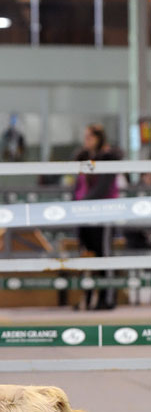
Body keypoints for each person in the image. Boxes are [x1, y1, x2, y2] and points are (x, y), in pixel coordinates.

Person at [73, 123, 122, 310]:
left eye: (90, 137)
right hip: (82, 214)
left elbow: (102, 188)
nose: (86, 141)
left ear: (99, 138)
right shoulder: (84, 159)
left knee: (104, 256)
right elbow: (78, 186)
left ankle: (107, 298)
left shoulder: (107, 160)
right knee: (87, 257)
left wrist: (83, 203)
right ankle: (86, 298)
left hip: (103, 213)